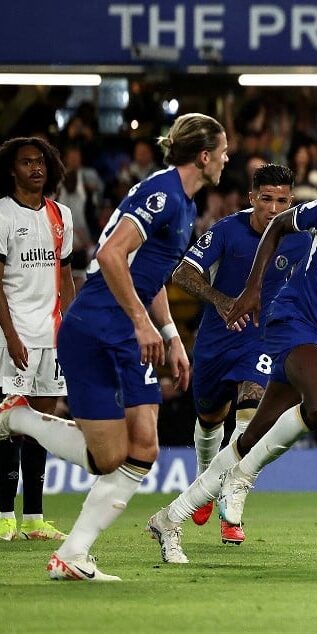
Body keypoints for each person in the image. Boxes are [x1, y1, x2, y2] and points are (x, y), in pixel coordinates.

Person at [146, 153, 317, 565]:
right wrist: (254, 288)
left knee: (252, 433)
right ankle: (244, 475)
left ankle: (171, 516)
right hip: (292, 316)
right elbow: (279, 225)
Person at [0, 112, 227, 580]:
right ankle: (13, 417)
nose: (227, 159)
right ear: (204, 156)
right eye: (223, 151)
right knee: (110, 457)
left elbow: (150, 275)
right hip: (97, 328)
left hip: (125, 330)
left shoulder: (183, 204)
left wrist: (168, 334)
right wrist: (144, 324)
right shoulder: (162, 193)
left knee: (140, 449)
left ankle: (73, 555)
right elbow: (109, 255)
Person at [171, 164, 309, 545]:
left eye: (282, 200)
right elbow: (182, 273)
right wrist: (220, 300)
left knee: (253, 402)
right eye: (266, 199)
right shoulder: (228, 230)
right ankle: (206, 478)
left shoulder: (300, 238)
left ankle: (234, 505)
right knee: (210, 416)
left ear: (291, 201)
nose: (273, 208)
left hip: (263, 337)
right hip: (217, 338)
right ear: (252, 198)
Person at [0, 137, 75, 542]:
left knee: (41, 425)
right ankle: (2, 515)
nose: (35, 168)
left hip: (51, 336)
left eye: (41, 161)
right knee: (10, 424)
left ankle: (33, 518)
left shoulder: (60, 214)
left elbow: (65, 278)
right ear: (12, 169)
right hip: (14, 335)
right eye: (26, 162)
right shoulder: (2, 214)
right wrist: (10, 335)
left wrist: (73, 328)